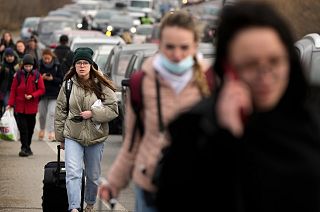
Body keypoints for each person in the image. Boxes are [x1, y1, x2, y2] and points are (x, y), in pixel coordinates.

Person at [155, 2, 320, 212]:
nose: (265, 75)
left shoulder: (308, 122)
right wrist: (226, 140)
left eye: (275, 61)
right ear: (228, 68)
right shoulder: (195, 129)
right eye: (251, 64)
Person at [98, 10, 212, 212]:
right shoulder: (142, 83)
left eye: (184, 48)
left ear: (195, 46)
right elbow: (133, 143)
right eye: (170, 47)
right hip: (151, 187)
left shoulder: (212, 83)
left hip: (198, 188)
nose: (177, 55)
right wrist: (113, 183)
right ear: (159, 45)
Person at [54, 47, 118, 212]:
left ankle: (89, 204)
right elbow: (60, 111)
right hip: (73, 135)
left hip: (96, 137)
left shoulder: (101, 83)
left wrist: (93, 113)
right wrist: (60, 137)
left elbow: (113, 109)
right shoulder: (68, 84)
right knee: (73, 173)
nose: (82, 66)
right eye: (78, 63)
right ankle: (74, 207)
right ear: (74, 66)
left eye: (85, 63)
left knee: (93, 176)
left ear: (91, 65)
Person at [7, 54, 45, 157]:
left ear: (33, 65)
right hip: (20, 107)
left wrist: (32, 95)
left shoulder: (37, 75)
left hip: (32, 107)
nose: (28, 68)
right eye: (26, 66)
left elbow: (41, 89)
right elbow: (13, 90)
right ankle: (24, 148)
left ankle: (27, 146)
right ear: (23, 65)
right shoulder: (18, 75)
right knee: (22, 128)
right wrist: (10, 104)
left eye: (30, 66)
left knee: (30, 128)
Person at [38, 49, 63, 141]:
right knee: (42, 114)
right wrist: (41, 78)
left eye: (48, 58)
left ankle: (51, 132)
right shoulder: (39, 65)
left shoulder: (57, 65)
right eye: (45, 58)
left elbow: (61, 79)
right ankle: (42, 129)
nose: (47, 60)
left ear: (52, 57)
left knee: (52, 113)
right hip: (42, 94)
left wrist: (52, 79)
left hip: (54, 93)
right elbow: (35, 78)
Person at [0, 48, 20, 116]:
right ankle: (6, 122)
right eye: (7, 56)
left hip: (16, 90)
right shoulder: (3, 65)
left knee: (16, 107)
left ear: (14, 56)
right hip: (6, 90)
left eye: (11, 56)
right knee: (7, 105)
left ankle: (15, 122)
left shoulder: (17, 66)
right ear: (5, 57)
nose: (9, 58)